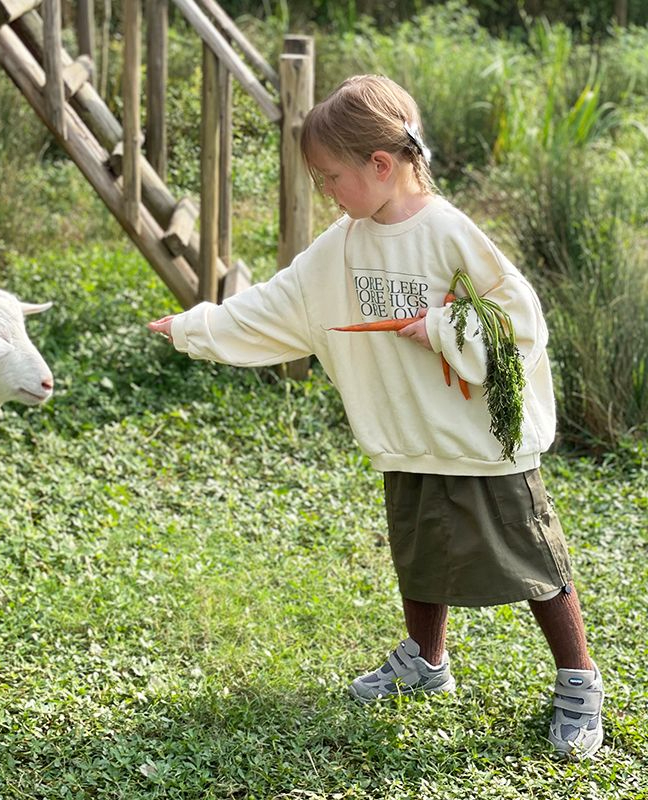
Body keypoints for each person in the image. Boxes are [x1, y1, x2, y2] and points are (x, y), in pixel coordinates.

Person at [148, 74, 604, 760]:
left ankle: (579, 680)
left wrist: (447, 327)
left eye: (331, 177)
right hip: (407, 438)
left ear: (381, 165)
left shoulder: (450, 232)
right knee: (419, 556)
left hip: (480, 441)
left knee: (534, 562)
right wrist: (195, 327)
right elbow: (279, 305)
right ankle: (426, 661)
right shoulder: (343, 245)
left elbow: (520, 320)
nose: (327, 191)